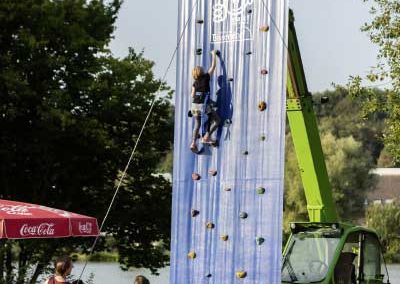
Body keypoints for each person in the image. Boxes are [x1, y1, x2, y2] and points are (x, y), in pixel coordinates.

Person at [190, 50, 221, 152]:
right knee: (217, 120)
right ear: (201, 72)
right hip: (203, 105)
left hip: (194, 106)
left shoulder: (195, 83)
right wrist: (214, 55)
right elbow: (213, 66)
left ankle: (193, 142)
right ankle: (207, 136)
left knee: (197, 124)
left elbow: (192, 95)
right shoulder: (206, 77)